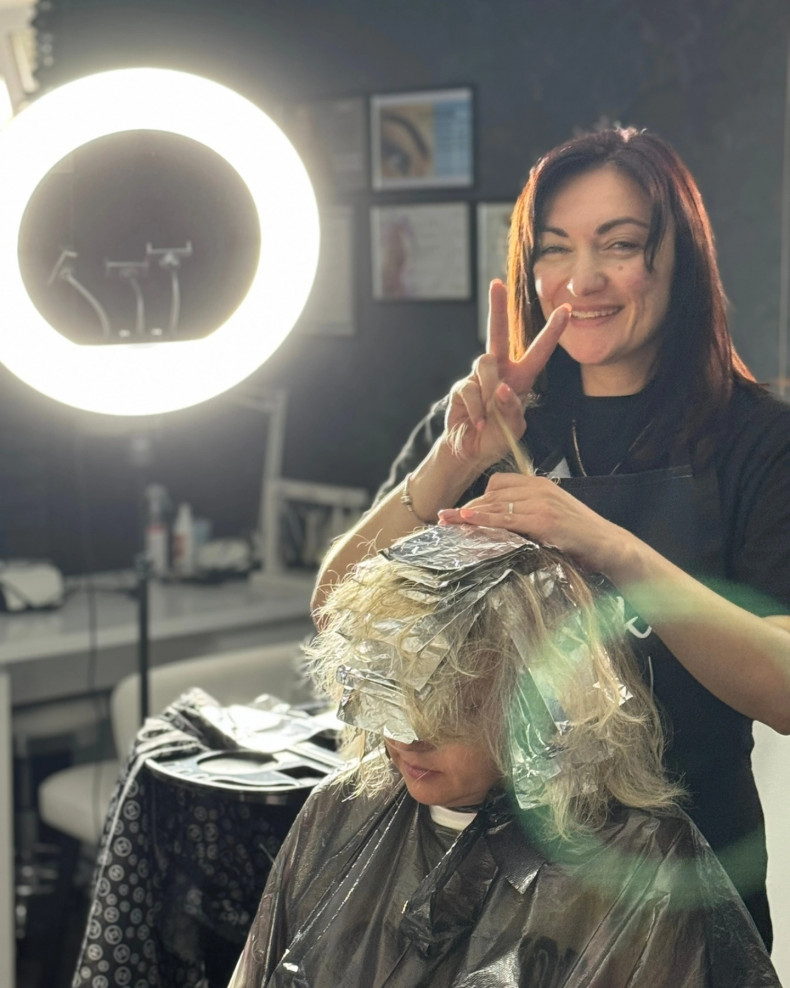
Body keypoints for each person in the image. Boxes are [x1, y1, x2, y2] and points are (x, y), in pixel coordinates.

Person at [311, 126, 790, 950]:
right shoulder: (494, 419)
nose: (583, 278)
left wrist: (613, 547)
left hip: (685, 887)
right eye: (555, 249)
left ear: (680, 259)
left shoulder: (757, 441)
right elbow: (335, 611)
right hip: (492, 892)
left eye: (621, 244)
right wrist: (453, 461)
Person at [232, 525, 779, 986]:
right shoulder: (342, 810)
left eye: (448, 711)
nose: (407, 739)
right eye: (389, 698)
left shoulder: (641, 864)